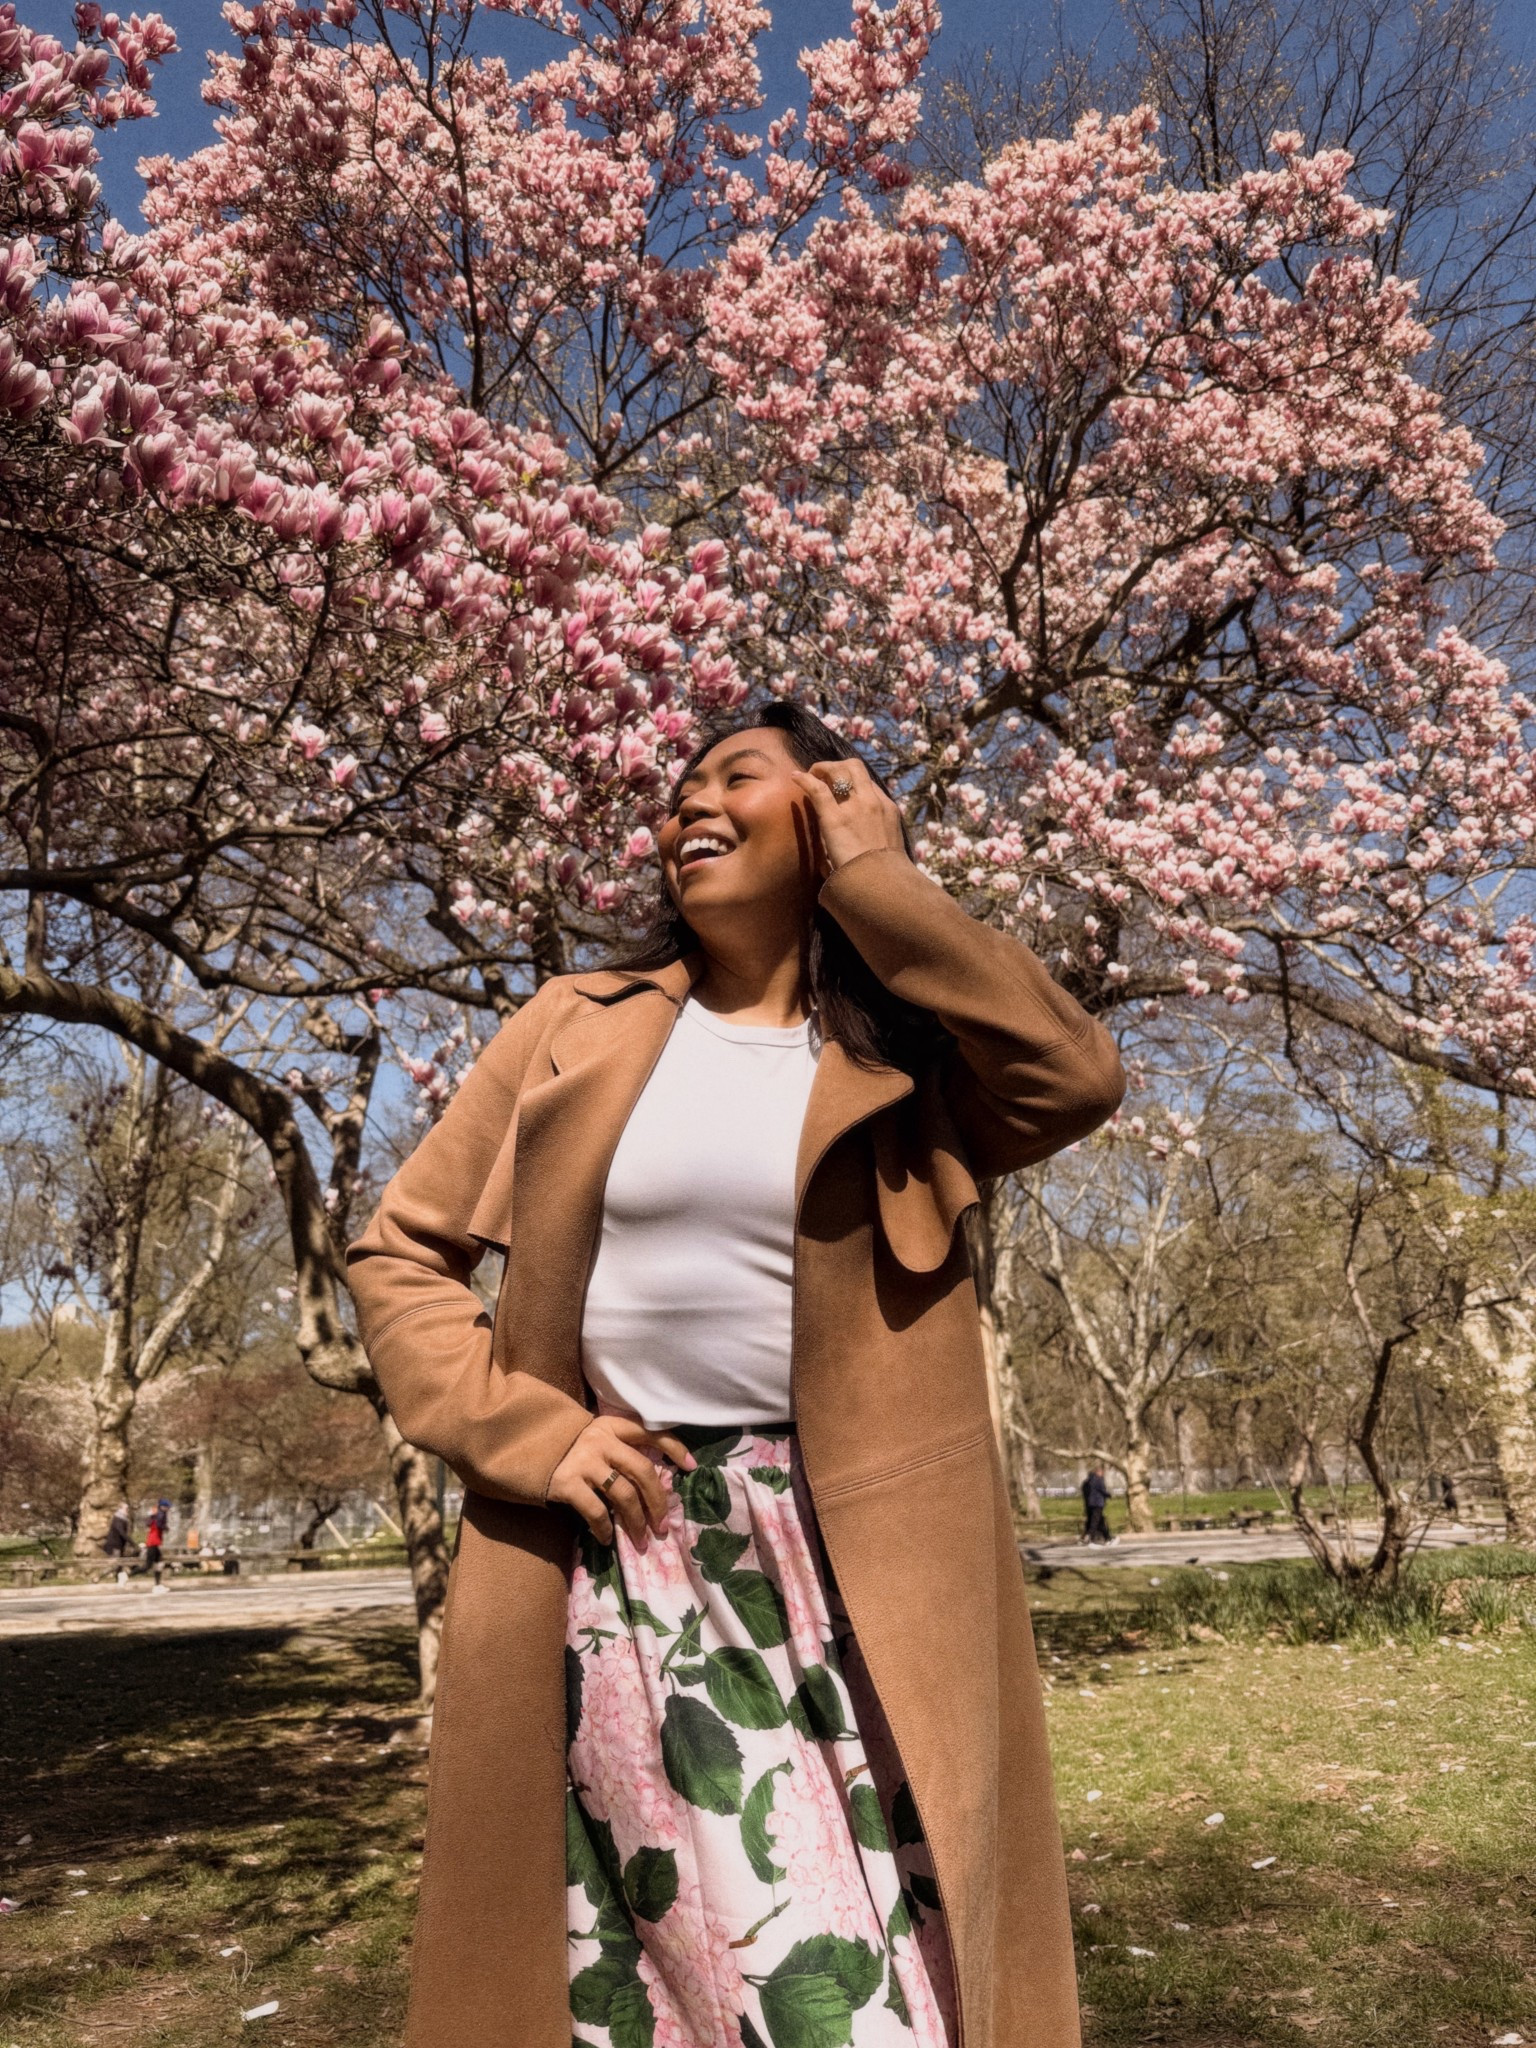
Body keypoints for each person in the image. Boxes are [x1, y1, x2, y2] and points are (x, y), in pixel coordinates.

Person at [347, 702, 1125, 2048]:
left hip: (867, 1570)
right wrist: (524, 1431)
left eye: (734, 778)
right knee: (749, 1982)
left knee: (916, 1971)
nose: (686, 808)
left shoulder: (906, 1067)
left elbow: (1075, 1073)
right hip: (635, 1547)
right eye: (674, 794)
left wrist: (881, 884)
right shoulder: (570, 1028)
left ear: (828, 804)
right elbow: (400, 1251)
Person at [1081, 1464, 1112, 1544]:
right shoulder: (1098, 1479)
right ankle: (1089, 1536)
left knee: (1100, 1521)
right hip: (1098, 1503)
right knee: (1095, 1521)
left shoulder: (1089, 1481)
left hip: (1090, 1503)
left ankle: (1108, 1538)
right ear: (1099, 1472)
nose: (1103, 1474)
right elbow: (1102, 1490)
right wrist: (1109, 1495)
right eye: (1102, 1473)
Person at [143, 1499, 170, 1586]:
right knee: (148, 1566)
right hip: (153, 1543)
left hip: (155, 1542)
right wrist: (165, 1527)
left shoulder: (156, 1514)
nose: (168, 1508)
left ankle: (157, 1585)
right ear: (162, 1507)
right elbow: (159, 1524)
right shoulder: (160, 1514)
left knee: (159, 1563)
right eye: (166, 1507)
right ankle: (127, 1575)